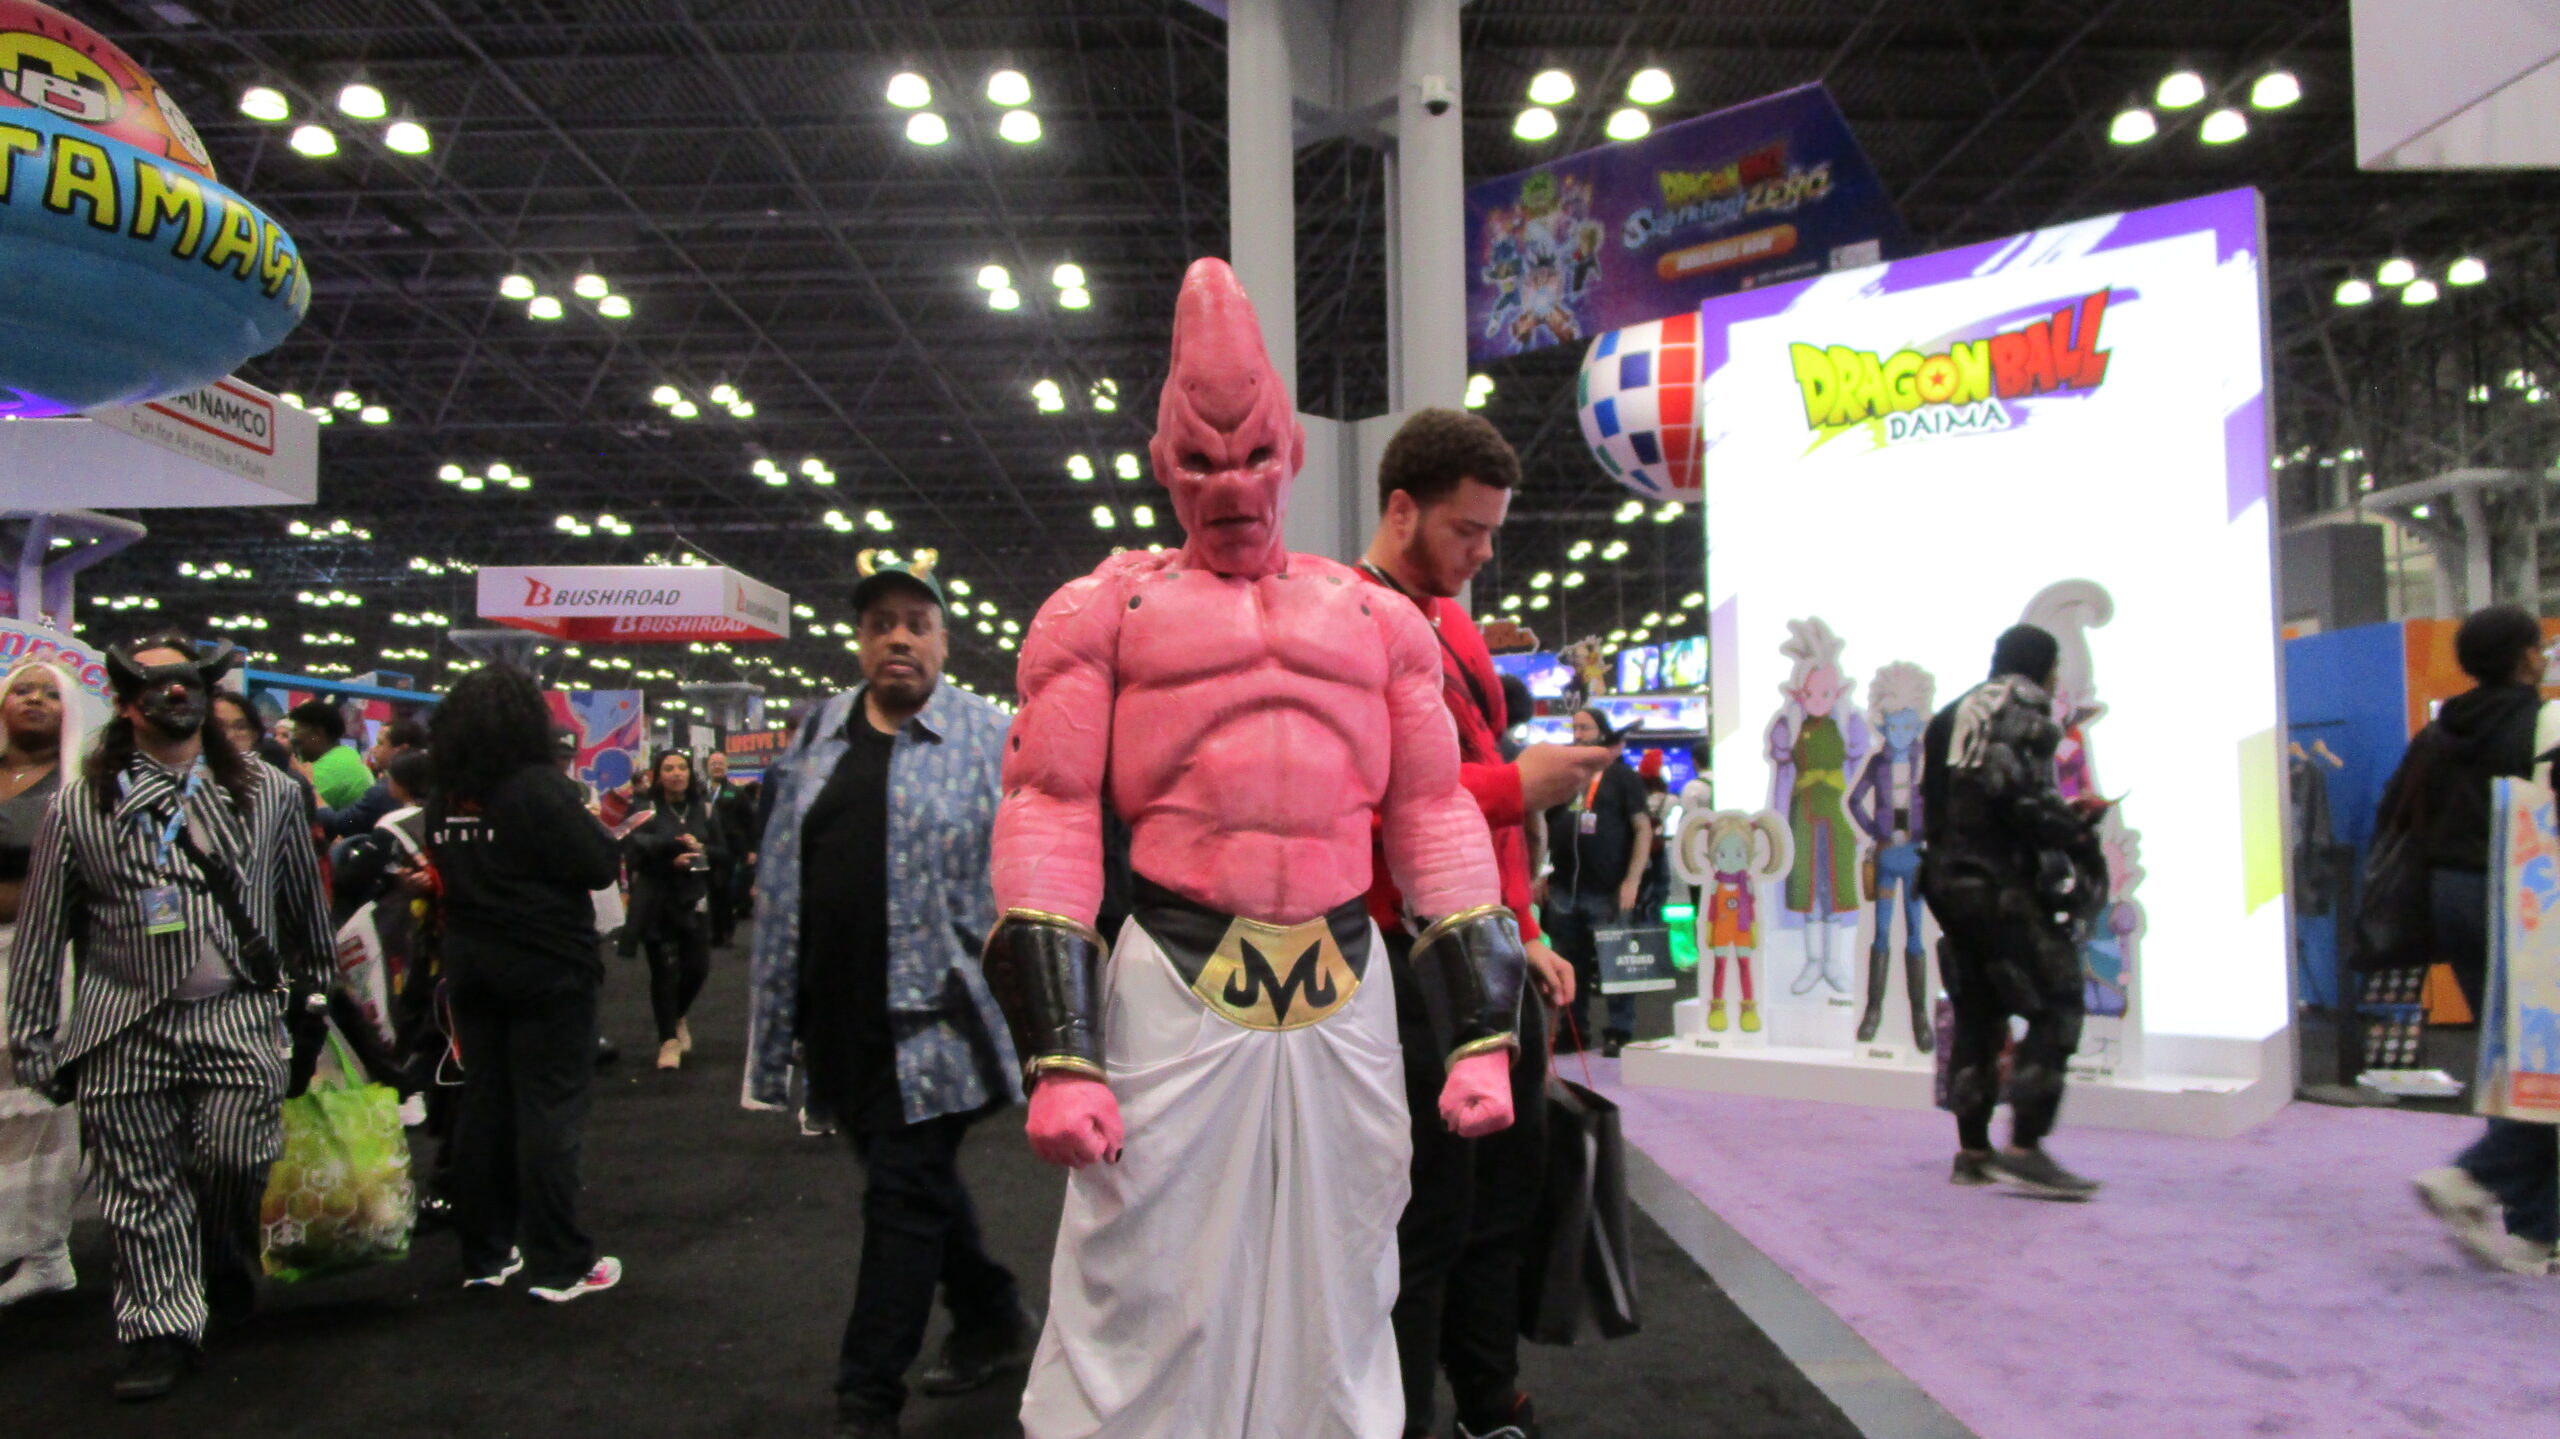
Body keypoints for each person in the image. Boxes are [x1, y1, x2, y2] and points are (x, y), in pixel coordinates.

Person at [988, 260, 1526, 1439]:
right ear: (1160, 462)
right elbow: (1046, 810)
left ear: (1292, 452)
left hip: (1345, 985)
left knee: (1346, 1273)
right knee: (1148, 1283)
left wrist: (1481, 1034)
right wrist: (1061, 1055)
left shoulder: (1378, 620)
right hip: (1176, 976)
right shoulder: (1101, 612)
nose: (1230, 484)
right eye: (1200, 460)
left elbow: (1433, 815)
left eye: (1252, 456)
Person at [1355, 406, 1604, 1439]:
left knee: (1503, 1202)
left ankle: (1489, 1401)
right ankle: (1405, 1417)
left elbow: (1484, 809)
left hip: (1493, 950)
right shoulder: (1348, 624)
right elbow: (1373, 795)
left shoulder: (1454, 623)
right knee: (1426, 1215)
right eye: (1467, 529)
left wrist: (1529, 927)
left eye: (1493, 530)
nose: (1484, 551)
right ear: (1401, 510)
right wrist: (1515, 786)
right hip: (1405, 960)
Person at [742, 552, 1031, 1439]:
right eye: (880, 625)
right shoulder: (819, 731)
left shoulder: (992, 736)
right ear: (861, 641)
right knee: (914, 1183)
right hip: (841, 1013)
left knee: (902, 1193)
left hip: (944, 1019)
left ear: (943, 639)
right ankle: (989, 1310)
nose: (898, 638)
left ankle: (865, 1398)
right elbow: (785, 865)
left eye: (916, 623)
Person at [7, 634, 332, 1401]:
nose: (176, 695)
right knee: (138, 1182)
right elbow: (43, 926)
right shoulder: (80, 803)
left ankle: (217, 1253)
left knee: (236, 1156)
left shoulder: (269, 791)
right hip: (123, 1021)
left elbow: (301, 900)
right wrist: (33, 1033)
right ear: (125, 703)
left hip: (238, 1012)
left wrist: (315, 996)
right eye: (155, 684)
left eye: (188, 682)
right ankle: (160, 1327)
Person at [423, 666, 625, 1302]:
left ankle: (486, 1253)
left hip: (471, 963)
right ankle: (562, 1263)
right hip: (546, 964)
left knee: (484, 1104)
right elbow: (600, 864)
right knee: (549, 1109)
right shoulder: (538, 788)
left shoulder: (445, 795)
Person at [1920, 624, 2109, 1201]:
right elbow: (2020, 799)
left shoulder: (1948, 716)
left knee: (1978, 1009)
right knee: (2059, 1000)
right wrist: (2075, 830)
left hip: (1948, 882)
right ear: (2045, 668)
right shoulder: (2022, 706)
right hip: (2000, 884)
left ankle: (1973, 1152)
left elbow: (1943, 803)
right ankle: (2025, 1147)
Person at [2404, 605, 2560, 1272]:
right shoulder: (2545, 722)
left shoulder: (2443, 729)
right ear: (2525, 655)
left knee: (2509, 1059)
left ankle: (2536, 1231)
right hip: (2527, 900)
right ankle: (2472, 1177)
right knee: (2544, 1064)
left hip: (2454, 898)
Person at [0, 657, 93, 1310]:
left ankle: (46, 1251)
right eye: (21, 690)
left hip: (45, 957)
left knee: (41, 1102)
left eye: (49, 694)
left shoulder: (79, 784)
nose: (33, 699)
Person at [1538, 708, 1653, 1055]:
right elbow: (1540, 827)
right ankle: (1574, 1032)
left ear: (1602, 732)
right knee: (1568, 964)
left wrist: (1632, 881)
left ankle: (1619, 1030)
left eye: (1585, 727)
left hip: (1609, 890)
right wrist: (1539, 874)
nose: (1578, 734)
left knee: (1616, 962)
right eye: (1574, 727)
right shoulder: (1566, 777)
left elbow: (1642, 829)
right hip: (1564, 891)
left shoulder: (1622, 777)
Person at [624, 749, 722, 1070]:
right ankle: (668, 1040)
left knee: (697, 968)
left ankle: (677, 1014)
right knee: (663, 972)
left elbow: (724, 851)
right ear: (658, 775)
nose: (676, 773)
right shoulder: (644, 809)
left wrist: (702, 849)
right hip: (657, 900)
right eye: (669, 768)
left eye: (682, 767)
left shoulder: (704, 808)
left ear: (690, 773)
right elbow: (634, 852)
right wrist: (671, 859)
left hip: (694, 899)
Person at [318, 716, 426, 839]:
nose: (373, 749)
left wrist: (313, 792)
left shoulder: (384, 792)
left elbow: (341, 823)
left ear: (401, 750)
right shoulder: (430, 785)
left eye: (380, 743)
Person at [702, 750, 754, 947]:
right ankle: (714, 931)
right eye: (713, 763)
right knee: (710, 891)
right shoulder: (700, 792)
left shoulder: (736, 793)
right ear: (707, 767)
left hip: (729, 849)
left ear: (726, 767)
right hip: (705, 848)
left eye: (720, 763)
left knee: (724, 890)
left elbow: (749, 823)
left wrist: (751, 849)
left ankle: (726, 931)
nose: (717, 767)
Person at [287, 698, 373, 811]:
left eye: (296, 731)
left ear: (317, 734)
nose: (293, 739)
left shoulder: (335, 767)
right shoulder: (344, 754)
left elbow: (288, 803)